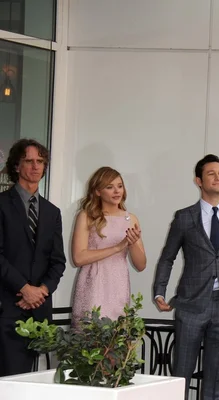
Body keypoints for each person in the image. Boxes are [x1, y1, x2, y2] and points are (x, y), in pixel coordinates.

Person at [153, 154, 219, 400]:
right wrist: (160, 290)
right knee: (182, 373)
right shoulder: (185, 217)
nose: (217, 177)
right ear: (198, 181)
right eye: (211, 173)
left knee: (215, 376)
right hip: (191, 304)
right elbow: (167, 257)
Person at [0, 139, 66, 377]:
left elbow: (58, 261)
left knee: (27, 381)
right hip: (7, 307)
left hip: (38, 311)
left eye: (40, 161)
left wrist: (41, 291)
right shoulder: (2, 204)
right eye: (29, 161)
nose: (35, 166)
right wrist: (24, 288)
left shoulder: (52, 212)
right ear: (17, 166)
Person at [71, 167, 146, 324]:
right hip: (92, 285)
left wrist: (131, 244)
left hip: (118, 286)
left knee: (116, 340)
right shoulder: (87, 216)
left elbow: (141, 265)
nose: (116, 191)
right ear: (98, 191)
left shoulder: (131, 219)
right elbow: (78, 257)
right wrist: (117, 247)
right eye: (109, 187)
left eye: (119, 186)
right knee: (90, 339)